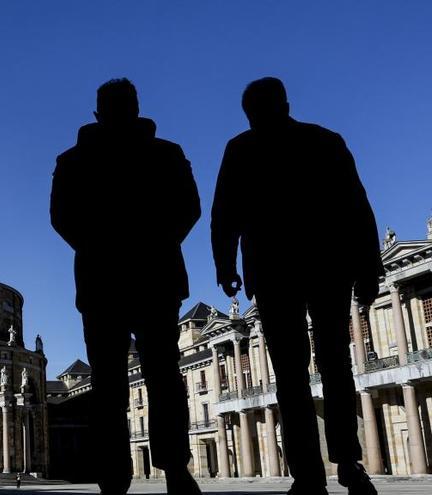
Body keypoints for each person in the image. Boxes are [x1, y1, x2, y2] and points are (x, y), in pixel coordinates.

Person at [211, 77, 382, 495]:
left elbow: (224, 215)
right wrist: (368, 267)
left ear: (250, 113)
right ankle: (348, 463)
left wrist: (225, 266)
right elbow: (357, 206)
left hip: (274, 270)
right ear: (285, 103)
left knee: (290, 372)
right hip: (327, 264)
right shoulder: (324, 141)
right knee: (335, 362)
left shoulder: (241, 149)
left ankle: (307, 473)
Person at [51, 78, 201, 495]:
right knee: (163, 374)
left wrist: (98, 245)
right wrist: (157, 241)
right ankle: (175, 469)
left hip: (101, 280)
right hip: (157, 275)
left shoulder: (73, 160)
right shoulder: (166, 154)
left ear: (98, 113)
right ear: (136, 108)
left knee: (110, 382)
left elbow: (62, 217)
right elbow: (189, 208)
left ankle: (114, 478)